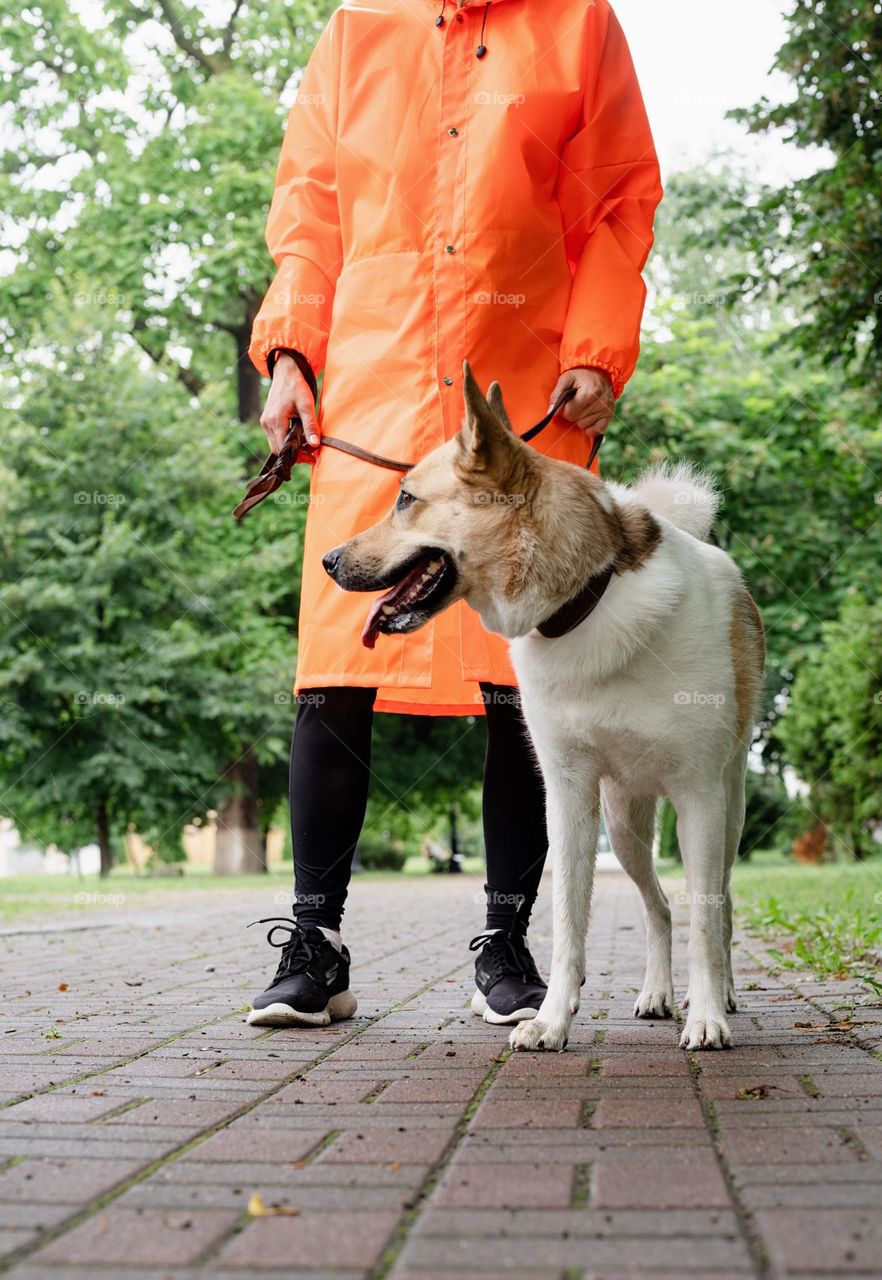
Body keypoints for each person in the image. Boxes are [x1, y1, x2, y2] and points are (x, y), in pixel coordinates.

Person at [245, 0, 662, 1027]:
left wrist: (594, 349)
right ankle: (315, 942)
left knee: (520, 675)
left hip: (518, 395)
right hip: (371, 385)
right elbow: (308, 208)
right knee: (336, 664)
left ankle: (507, 935)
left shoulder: (579, 25)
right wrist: (291, 356)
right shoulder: (356, 29)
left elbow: (617, 198)